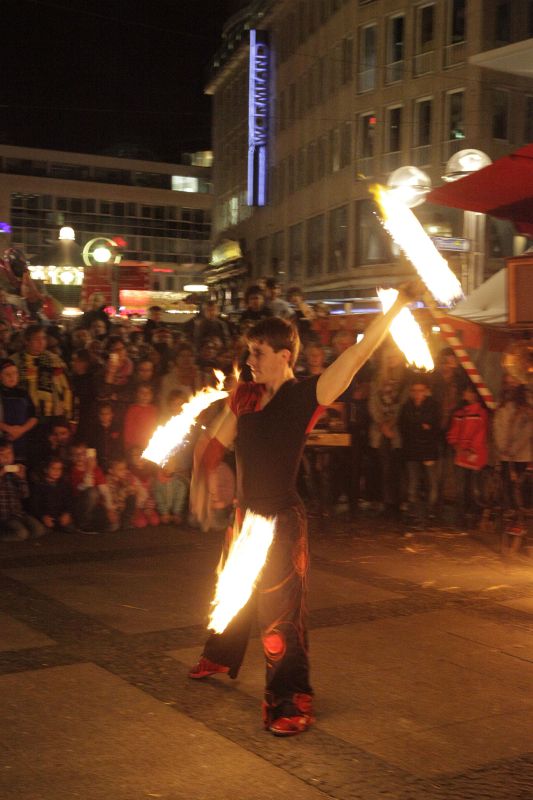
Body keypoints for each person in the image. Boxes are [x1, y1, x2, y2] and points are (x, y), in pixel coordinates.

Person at [188, 289, 413, 737]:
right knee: (233, 593)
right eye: (249, 351)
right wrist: (202, 476)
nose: (250, 360)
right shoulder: (245, 396)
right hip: (244, 518)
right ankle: (220, 654)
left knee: (280, 616)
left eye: (258, 352)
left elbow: (357, 355)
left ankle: (290, 698)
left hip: (282, 523)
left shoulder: (306, 395)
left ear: (284, 355)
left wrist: (395, 309)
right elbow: (214, 442)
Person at [399, 375, 441, 527]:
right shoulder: (407, 407)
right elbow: (404, 428)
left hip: (428, 449)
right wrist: (421, 426)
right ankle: (414, 513)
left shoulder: (433, 406)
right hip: (412, 450)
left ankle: (430, 511)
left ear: (426, 391)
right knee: (413, 483)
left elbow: (434, 427)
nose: (417, 394)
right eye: (414, 390)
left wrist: (420, 427)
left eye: (420, 390)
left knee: (431, 483)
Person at [447, 381, 489, 528]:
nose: (464, 394)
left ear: (474, 394)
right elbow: (453, 432)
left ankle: (473, 517)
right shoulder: (460, 413)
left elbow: (480, 435)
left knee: (473, 488)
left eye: (467, 391)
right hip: (461, 455)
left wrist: (470, 449)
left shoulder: (480, 413)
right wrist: (455, 444)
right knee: (461, 488)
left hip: (474, 456)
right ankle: (462, 517)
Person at [0, 437, 45, 541]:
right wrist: (2, 473)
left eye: (9, 453)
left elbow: (24, 495)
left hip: (18, 513)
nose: (7, 457)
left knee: (39, 530)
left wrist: (22, 478)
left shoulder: (14, 471)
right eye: (2, 454)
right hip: (4, 516)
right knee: (21, 534)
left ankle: (14, 530)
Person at [0, 358, 38, 465]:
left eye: (15, 373)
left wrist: (21, 430)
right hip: (3, 442)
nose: (12, 377)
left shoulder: (23, 393)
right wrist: (9, 429)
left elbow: (34, 416)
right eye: (7, 374)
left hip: (22, 441)